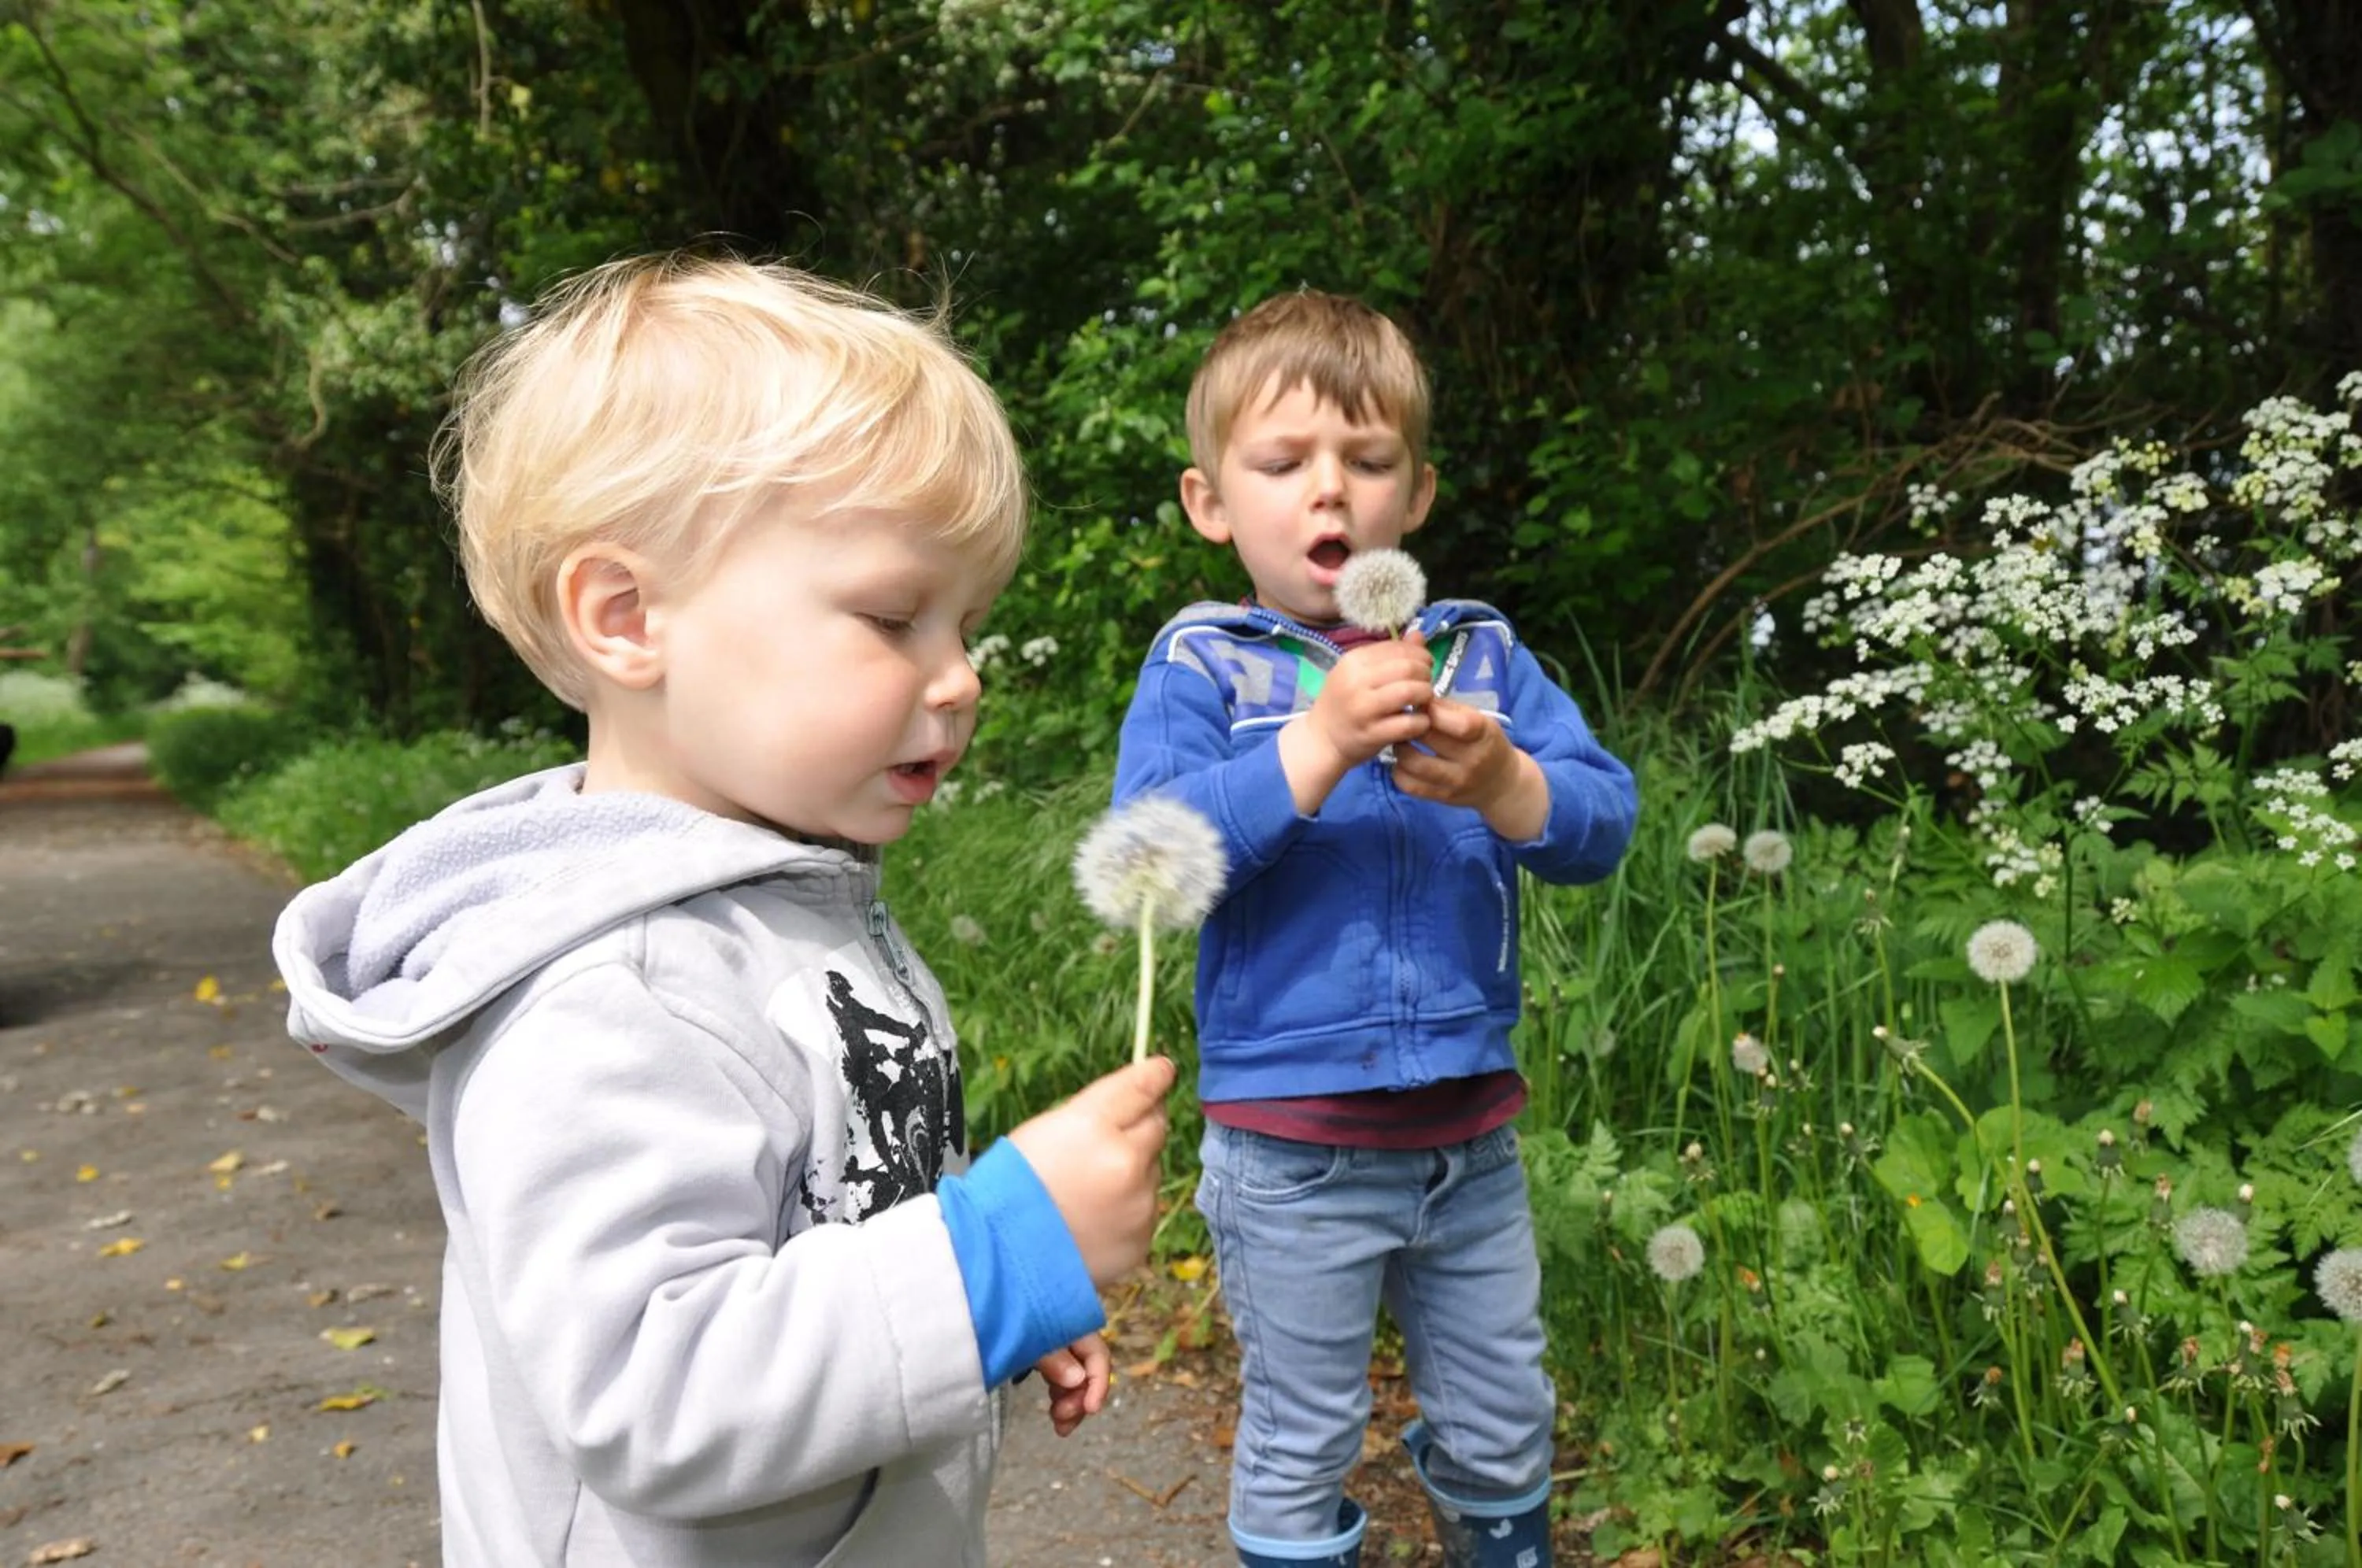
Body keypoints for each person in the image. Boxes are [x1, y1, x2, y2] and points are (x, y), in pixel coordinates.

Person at [272, 255, 1173, 1567]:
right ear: (629, 616)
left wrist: (1003, 1282)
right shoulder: (612, 992)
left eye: (967, 621)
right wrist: (984, 1263)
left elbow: (822, 1190)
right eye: (892, 616)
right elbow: (655, 1389)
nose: (963, 676)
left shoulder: (795, 905)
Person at [1110, 291, 1638, 1568]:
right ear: (1211, 503)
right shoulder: (1204, 665)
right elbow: (1154, 862)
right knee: (1302, 1431)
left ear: (1420, 492)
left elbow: (1602, 820)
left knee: (1509, 1421)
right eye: (1284, 465)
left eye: (1369, 461)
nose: (1329, 493)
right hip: (1291, 1148)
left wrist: (1510, 788)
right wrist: (1317, 742)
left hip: (1471, 1136)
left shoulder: (1483, 658)